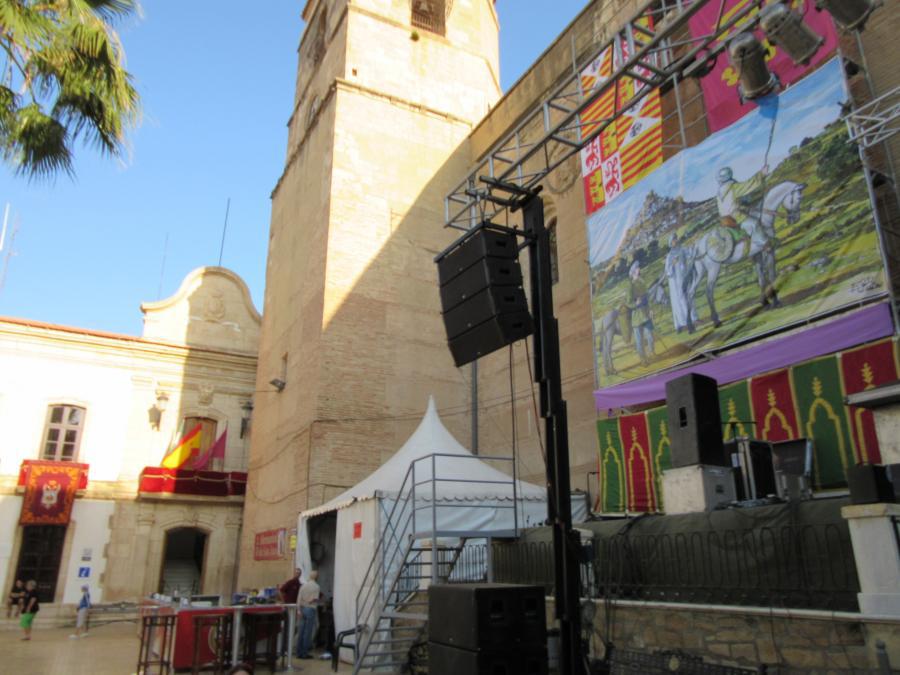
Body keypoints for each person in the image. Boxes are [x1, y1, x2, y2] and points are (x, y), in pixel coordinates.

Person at [664, 232, 695, 333]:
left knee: (689, 297)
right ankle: (686, 322)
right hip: (676, 282)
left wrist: (692, 246)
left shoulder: (682, 249)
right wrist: (672, 264)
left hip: (684, 277)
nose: (676, 241)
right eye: (674, 240)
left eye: (676, 239)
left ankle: (693, 317)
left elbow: (690, 254)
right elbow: (668, 271)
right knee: (681, 301)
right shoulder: (669, 256)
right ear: (671, 243)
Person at [626, 261, 655, 365]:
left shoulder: (642, 282)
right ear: (634, 271)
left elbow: (647, 298)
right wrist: (635, 303)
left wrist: (650, 310)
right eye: (637, 268)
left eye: (639, 268)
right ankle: (643, 359)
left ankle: (652, 353)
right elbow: (628, 303)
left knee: (650, 336)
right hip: (637, 317)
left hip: (646, 314)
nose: (639, 269)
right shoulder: (630, 286)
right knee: (639, 341)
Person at [296, 570, 321, 659]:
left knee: (301, 631)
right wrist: (313, 601)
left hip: (302, 608)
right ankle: (304, 653)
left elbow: (298, 599)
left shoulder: (303, 586)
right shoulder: (316, 586)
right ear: (316, 577)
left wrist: (298, 610)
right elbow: (314, 599)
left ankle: (298, 652)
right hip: (310, 609)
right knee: (308, 632)